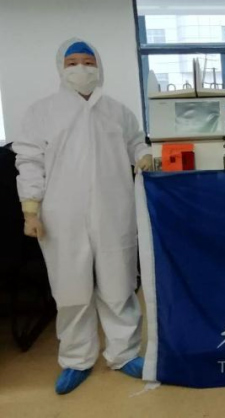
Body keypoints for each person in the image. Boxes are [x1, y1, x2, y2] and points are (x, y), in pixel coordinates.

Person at [14, 38, 153, 394]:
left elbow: (136, 141)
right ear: (61, 67)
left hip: (114, 210)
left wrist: (144, 155)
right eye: (73, 62)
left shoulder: (117, 111)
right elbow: (29, 161)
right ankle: (76, 359)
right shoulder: (42, 113)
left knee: (119, 285)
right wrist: (30, 209)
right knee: (71, 291)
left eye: (88, 62)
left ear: (99, 66)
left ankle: (124, 353)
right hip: (62, 215)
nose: (81, 68)